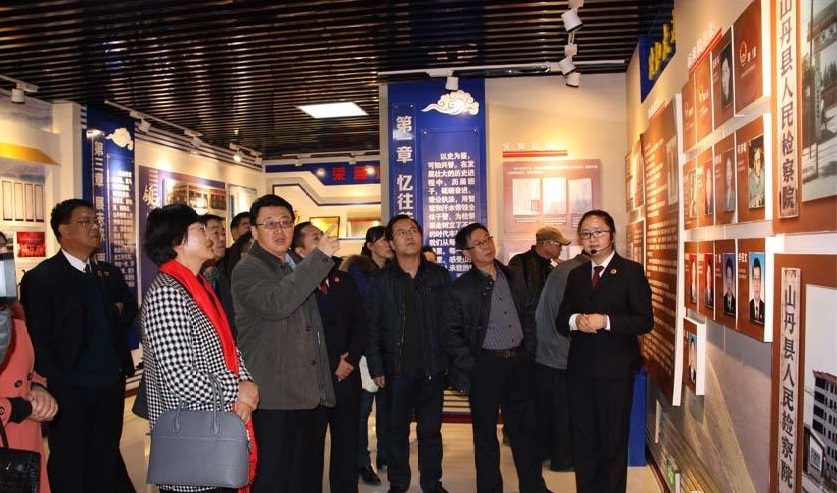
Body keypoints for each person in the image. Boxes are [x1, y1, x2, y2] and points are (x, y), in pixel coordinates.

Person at [140, 203, 259, 493]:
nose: (210, 235)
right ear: (176, 241)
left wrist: (246, 384)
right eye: (199, 229)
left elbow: (227, 346)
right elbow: (180, 377)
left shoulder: (198, 286)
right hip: (194, 437)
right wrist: (237, 390)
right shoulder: (168, 293)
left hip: (218, 424)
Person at [20, 199, 135, 492]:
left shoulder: (105, 273)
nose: (94, 227)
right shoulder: (42, 278)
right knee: (71, 460)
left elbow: (128, 310)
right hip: (70, 388)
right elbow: (39, 340)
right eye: (85, 222)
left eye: (96, 221)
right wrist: (55, 385)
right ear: (63, 230)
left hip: (110, 382)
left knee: (106, 453)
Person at [232, 194, 339, 493]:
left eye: (285, 223)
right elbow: (277, 304)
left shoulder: (293, 264)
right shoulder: (248, 268)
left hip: (309, 394)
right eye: (269, 224)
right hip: (274, 397)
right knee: (275, 479)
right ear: (254, 232)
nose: (279, 230)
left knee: (306, 479)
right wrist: (319, 258)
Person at [445, 223, 551, 493]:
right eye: (478, 243)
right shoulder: (460, 289)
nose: (486, 246)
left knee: (525, 431)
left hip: (519, 363)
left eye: (487, 239)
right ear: (466, 253)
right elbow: (451, 334)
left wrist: (529, 351)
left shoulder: (513, 276)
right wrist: (473, 366)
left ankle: (533, 486)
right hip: (486, 367)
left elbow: (528, 314)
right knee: (485, 435)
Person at [556, 209, 653, 493]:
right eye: (586, 234)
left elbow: (644, 321)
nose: (592, 238)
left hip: (615, 372)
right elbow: (561, 320)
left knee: (612, 442)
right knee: (584, 441)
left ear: (612, 235)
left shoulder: (631, 272)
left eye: (598, 232)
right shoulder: (576, 275)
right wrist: (576, 321)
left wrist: (606, 321)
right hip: (580, 371)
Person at [366, 214, 451, 493]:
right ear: (391, 243)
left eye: (413, 230)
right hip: (395, 369)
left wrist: (450, 362)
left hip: (432, 366)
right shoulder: (381, 280)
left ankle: (432, 482)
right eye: (401, 232)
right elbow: (372, 325)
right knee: (396, 431)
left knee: (431, 431)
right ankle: (399, 482)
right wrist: (377, 366)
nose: (409, 235)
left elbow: (450, 321)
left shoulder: (438, 275)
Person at [292, 221, 367, 493]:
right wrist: (332, 362)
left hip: (346, 375)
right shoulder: (296, 286)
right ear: (301, 251)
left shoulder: (343, 280)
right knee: (312, 448)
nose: (323, 238)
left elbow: (361, 324)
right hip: (314, 379)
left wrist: (350, 360)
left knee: (347, 442)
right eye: (315, 237)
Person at [0, 233, 58, 493]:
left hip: (25, 444)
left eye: (4, 250)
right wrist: (16, 408)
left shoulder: (11, 311)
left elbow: (25, 371)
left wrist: (38, 388)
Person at [341, 226, 393, 485]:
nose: (387, 244)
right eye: (382, 240)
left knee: (388, 407)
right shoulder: (357, 270)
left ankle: (386, 454)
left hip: (390, 348)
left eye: (388, 239)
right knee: (362, 411)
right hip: (363, 349)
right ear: (370, 245)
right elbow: (364, 308)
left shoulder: (396, 270)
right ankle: (362, 461)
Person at [533, 249, 588, 472]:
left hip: (547, 350)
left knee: (551, 409)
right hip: (560, 351)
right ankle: (563, 460)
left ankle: (549, 453)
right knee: (564, 410)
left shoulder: (564, 269)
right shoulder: (577, 274)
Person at [508, 227, 570, 302]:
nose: (561, 249)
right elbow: (513, 295)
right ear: (546, 244)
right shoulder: (520, 261)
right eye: (559, 245)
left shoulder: (550, 268)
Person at [200, 213, 237, 338]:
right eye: (215, 233)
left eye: (223, 234)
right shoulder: (192, 278)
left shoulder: (219, 274)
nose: (222, 239)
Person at [748, 140, 765, 208]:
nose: (755, 165)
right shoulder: (749, 177)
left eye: (758, 161)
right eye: (754, 161)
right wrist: (754, 201)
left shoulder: (766, 175)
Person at [749, 256, 765, 324]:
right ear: (752, 282)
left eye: (758, 279)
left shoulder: (765, 307)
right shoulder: (748, 306)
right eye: (755, 279)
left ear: (761, 282)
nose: (757, 284)